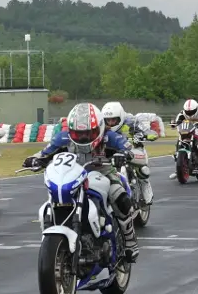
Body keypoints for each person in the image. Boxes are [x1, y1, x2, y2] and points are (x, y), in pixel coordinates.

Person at [22, 102, 139, 262]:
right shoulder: (62, 137)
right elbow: (45, 152)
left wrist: (124, 154)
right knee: (55, 195)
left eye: (89, 133)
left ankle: (130, 242)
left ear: (99, 127)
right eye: (79, 133)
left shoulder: (109, 136)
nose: (83, 137)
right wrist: (35, 159)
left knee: (121, 199)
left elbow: (128, 147)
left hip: (103, 172)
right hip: (73, 174)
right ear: (71, 131)